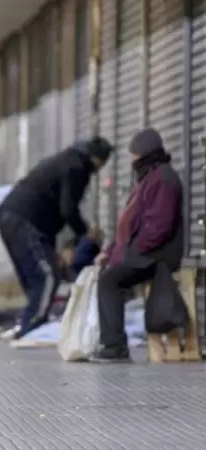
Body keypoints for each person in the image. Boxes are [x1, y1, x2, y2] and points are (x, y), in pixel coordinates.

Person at [0, 136, 114, 339]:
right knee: (47, 277)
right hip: (24, 220)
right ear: (98, 159)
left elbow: (58, 209)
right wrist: (85, 235)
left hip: (12, 217)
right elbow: (67, 209)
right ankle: (30, 330)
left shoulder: (66, 160)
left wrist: (62, 246)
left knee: (35, 278)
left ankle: (30, 323)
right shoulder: (77, 168)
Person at [92, 128, 184, 363]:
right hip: (144, 252)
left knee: (110, 281)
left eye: (133, 154)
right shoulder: (147, 179)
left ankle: (115, 347)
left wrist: (130, 253)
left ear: (143, 154)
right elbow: (128, 224)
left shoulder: (162, 179)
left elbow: (158, 227)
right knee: (108, 275)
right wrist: (111, 252)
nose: (131, 160)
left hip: (157, 254)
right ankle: (111, 343)